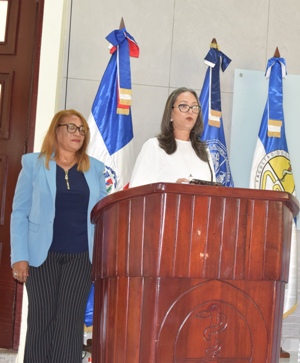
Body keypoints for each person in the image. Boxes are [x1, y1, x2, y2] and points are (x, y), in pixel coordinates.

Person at [10, 109, 107, 363]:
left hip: (80, 258)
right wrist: (19, 256)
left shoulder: (95, 168)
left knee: (70, 323)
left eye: (82, 129)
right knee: (41, 321)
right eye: (72, 127)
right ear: (57, 130)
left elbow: (103, 214)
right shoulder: (33, 163)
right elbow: (19, 212)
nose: (78, 133)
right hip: (41, 257)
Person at [130, 87, 215, 187]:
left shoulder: (204, 151)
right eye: (183, 106)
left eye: (195, 107)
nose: (190, 111)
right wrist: (171, 189)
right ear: (171, 114)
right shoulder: (154, 147)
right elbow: (137, 191)